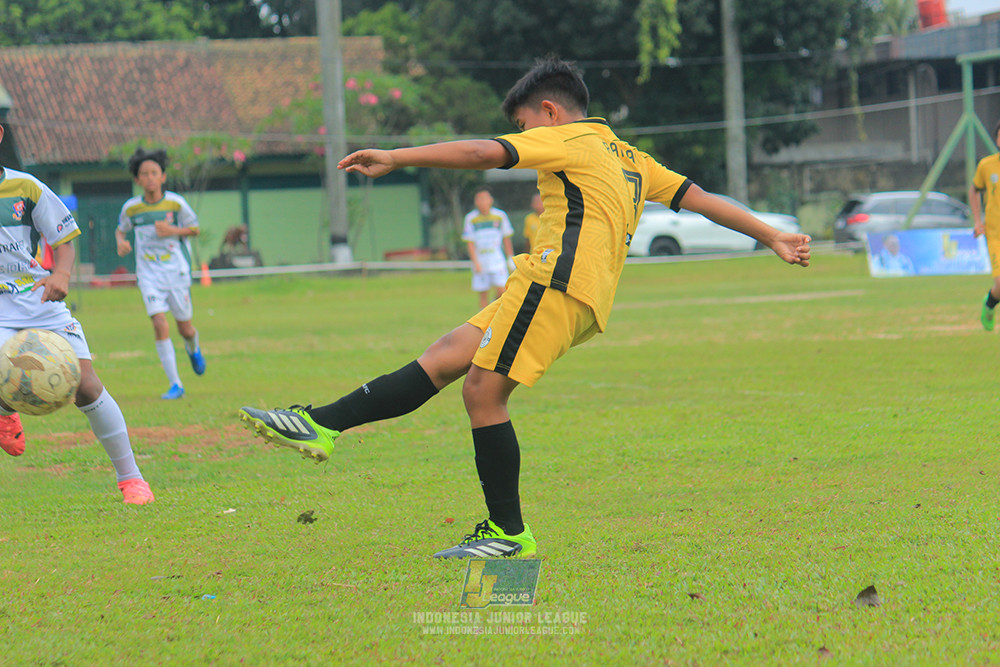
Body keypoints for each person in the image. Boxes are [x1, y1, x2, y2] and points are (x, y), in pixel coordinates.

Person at [238, 58, 810, 559]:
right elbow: (703, 200)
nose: (523, 136)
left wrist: (396, 155)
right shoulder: (632, 157)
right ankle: (321, 424)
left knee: (483, 391)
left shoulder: (567, 139)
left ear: (549, 111)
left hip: (557, 283)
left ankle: (508, 532)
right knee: (446, 357)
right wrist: (770, 234)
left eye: (523, 126)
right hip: (559, 289)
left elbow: (482, 152)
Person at [0, 124, 155, 504]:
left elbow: (64, 238)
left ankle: (132, 480)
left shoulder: (26, 188)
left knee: (85, 384)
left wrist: (63, 274)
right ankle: (5, 405)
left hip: (38, 301)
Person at [116, 148, 206, 400]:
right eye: (144, 174)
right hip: (149, 275)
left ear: (163, 176)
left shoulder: (176, 203)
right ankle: (175, 383)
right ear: (137, 180)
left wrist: (172, 230)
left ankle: (193, 348)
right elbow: (120, 230)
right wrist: (120, 242)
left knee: (185, 328)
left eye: (154, 172)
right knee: (158, 323)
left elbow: (195, 229)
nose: (150, 178)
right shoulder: (131, 209)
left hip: (175, 273)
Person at [462, 186, 515, 308]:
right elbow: (470, 242)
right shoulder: (471, 218)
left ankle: (492, 307)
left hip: (496, 258)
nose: (482, 202)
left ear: (491, 200)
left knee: (502, 290)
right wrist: (476, 262)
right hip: (481, 258)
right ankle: (483, 323)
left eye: (484, 198)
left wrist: (510, 257)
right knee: (483, 293)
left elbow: (506, 237)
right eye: (479, 199)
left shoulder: (500, 216)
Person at [971, 119, 1000, 331]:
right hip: (995, 233)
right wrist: (977, 221)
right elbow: (974, 190)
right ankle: (989, 305)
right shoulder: (987, 165)